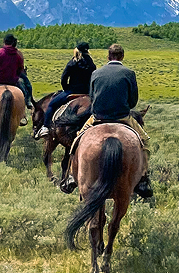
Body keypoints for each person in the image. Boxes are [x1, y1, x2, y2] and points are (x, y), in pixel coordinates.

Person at [60, 43, 154, 199]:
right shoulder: (129, 73)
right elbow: (133, 100)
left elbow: (91, 96)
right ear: (122, 56)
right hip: (122, 116)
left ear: (108, 56)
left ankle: (71, 175)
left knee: (77, 139)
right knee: (144, 142)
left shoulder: (96, 73)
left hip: (98, 116)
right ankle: (143, 178)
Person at [35, 41, 96, 139]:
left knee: (52, 104)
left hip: (72, 91)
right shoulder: (91, 63)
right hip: (87, 92)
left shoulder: (72, 63)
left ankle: (45, 127)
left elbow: (64, 78)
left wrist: (66, 89)